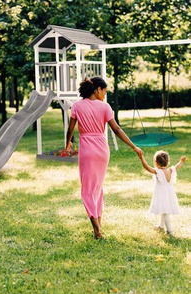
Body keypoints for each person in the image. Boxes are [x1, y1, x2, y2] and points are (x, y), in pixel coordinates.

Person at [66, 77, 143, 239]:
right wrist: (133, 146)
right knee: (97, 188)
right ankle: (98, 225)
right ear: (98, 89)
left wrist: (68, 144)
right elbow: (116, 129)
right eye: (104, 91)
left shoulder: (77, 106)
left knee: (87, 189)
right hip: (102, 151)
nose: (104, 95)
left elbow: (70, 129)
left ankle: (97, 230)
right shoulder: (105, 107)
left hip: (87, 151)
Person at [139, 150, 187, 236]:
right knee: (163, 209)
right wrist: (181, 161)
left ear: (156, 162)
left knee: (165, 212)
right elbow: (177, 166)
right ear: (167, 162)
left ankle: (170, 231)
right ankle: (161, 226)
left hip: (162, 194)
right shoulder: (170, 170)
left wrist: (142, 158)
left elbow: (146, 167)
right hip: (169, 194)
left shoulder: (157, 171)